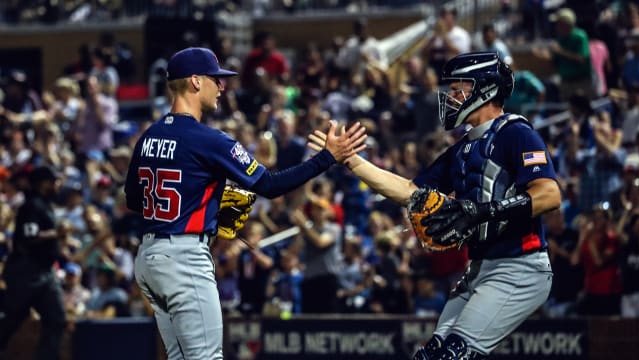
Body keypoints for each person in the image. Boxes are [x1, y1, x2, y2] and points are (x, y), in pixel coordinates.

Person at [309, 52, 560, 359]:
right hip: (481, 268)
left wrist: (483, 212)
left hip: (521, 266)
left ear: (487, 89)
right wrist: (350, 160)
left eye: (459, 89)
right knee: (431, 355)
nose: (451, 96)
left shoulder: (517, 133)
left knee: (453, 354)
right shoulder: (463, 148)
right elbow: (410, 191)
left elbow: (549, 195)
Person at [124, 47, 366, 360]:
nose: (221, 87)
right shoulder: (209, 139)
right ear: (195, 82)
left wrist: (202, 197)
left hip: (149, 258)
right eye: (216, 79)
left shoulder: (149, 135)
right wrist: (326, 158)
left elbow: (133, 198)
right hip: (184, 258)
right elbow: (270, 185)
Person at [0, 166, 67, 360]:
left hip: (44, 273)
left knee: (56, 319)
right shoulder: (32, 205)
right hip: (26, 272)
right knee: (12, 318)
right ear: (42, 183)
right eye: (53, 181)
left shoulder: (44, 204)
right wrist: (57, 234)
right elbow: (29, 236)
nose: (57, 185)